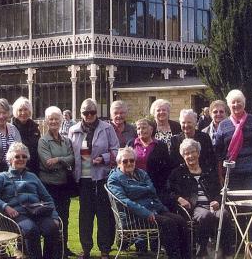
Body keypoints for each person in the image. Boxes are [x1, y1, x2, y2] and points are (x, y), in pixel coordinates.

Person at [107, 147, 190, 259]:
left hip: (154, 209)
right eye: (125, 161)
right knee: (168, 223)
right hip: (134, 217)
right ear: (118, 163)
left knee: (180, 221)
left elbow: (153, 192)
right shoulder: (114, 179)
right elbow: (126, 201)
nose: (129, 163)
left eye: (132, 160)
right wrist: (146, 212)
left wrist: (163, 209)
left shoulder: (141, 173)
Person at [0, 142, 61, 259]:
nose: (21, 159)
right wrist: (5, 207)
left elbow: (47, 198)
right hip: (16, 215)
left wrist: (54, 217)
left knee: (52, 228)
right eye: (17, 156)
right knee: (31, 229)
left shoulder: (32, 177)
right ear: (10, 159)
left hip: (37, 212)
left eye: (24, 156)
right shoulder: (2, 177)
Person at [214, 89, 252, 247]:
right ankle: (240, 244)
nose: (236, 104)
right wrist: (220, 176)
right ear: (229, 104)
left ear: (244, 103)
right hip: (233, 174)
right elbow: (219, 154)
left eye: (239, 101)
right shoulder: (223, 126)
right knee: (236, 210)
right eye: (233, 102)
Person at [69, 98, 119, 259]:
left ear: (97, 112)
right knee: (85, 215)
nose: (89, 115)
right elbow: (70, 153)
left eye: (92, 112)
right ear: (80, 113)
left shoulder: (107, 128)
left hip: (102, 177)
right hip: (83, 179)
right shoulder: (74, 130)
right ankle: (86, 249)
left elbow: (116, 150)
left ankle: (105, 249)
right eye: (85, 112)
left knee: (104, 214)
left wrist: (103, 158)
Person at [168, 138, 234, 258]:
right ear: (183, 156)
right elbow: (168, 191)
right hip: (194, 208)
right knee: (205, 215)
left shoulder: (208, 171)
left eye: (193, 152)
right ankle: (201, 254)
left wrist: (217, 201)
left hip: (213, 206)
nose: (190, 156)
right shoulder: (177, 173)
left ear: (198, 153)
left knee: (223, 214)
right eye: (187, 153)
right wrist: (179, 198)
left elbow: (219, 191)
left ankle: (227, 253)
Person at [38, 106, 75, 257]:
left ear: (61, 121)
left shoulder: (66, 140)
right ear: (46, 121)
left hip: (63, 185)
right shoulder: (43, 141)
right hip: (49, 186)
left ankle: (63, 249)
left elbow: (72, 158)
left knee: (64, 218)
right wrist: (64, 162)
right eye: (51, 119)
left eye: (56, 119)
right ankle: (49, 252)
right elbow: (47, 163)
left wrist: (58, 159)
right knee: (51, 220)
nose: (53, 121)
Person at [127, 117, 172, 203]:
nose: (141, 130)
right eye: (138, 128)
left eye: (144, 128)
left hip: (155, 185)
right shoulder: (131, 144)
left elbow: (166, 168)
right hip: (134, 184)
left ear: (151, 129)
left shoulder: (161, 146)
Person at [12, 96, 41, 173]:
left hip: (33, 167)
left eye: (25, 109)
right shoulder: (11, 128)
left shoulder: (35, 128)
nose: (23, 113)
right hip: (17, 168)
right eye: (20, 110)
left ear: (30, 111)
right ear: (15, 112)